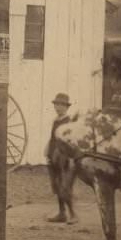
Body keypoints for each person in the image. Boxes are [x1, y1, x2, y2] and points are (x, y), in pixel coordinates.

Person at [46, 92, 78, 224]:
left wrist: (70, 159)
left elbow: (72, 141)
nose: (57, 107)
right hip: (53, 157)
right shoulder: (55, 120)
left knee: (65, 186)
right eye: (56, 104)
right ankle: (61, 213)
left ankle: (73, 214)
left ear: (66, 107)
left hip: (65, 158)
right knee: (57, 185)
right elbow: (53, 138)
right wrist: (47, 149)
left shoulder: (69, 121)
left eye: (60, 105)